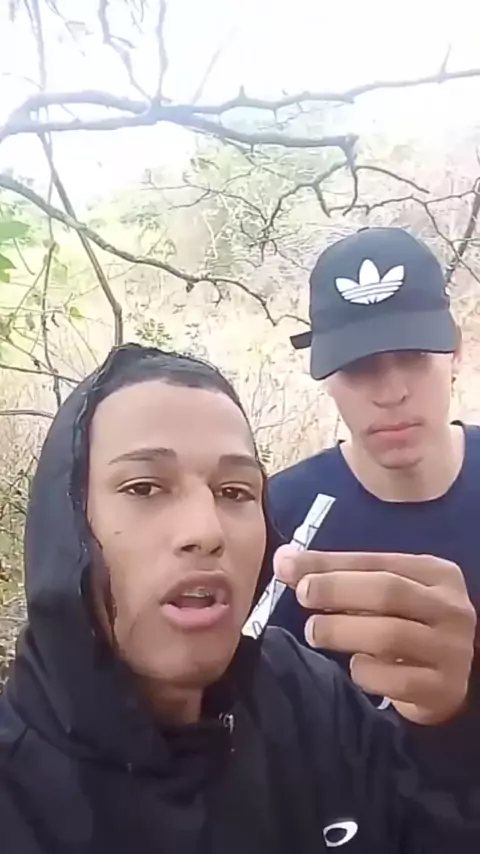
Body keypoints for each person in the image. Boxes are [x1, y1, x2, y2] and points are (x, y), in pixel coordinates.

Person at [0, 342, 478, 853]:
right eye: (144, 487)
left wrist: (446, 722)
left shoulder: (305, 697)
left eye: (234, 492)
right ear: (68, 522)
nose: (206, 531)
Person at [268, 227, 480, 714]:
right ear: (327, 377)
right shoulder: (278, 518)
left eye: (413, 356)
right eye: (359, 367)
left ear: (455, 352)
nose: (391, 393)